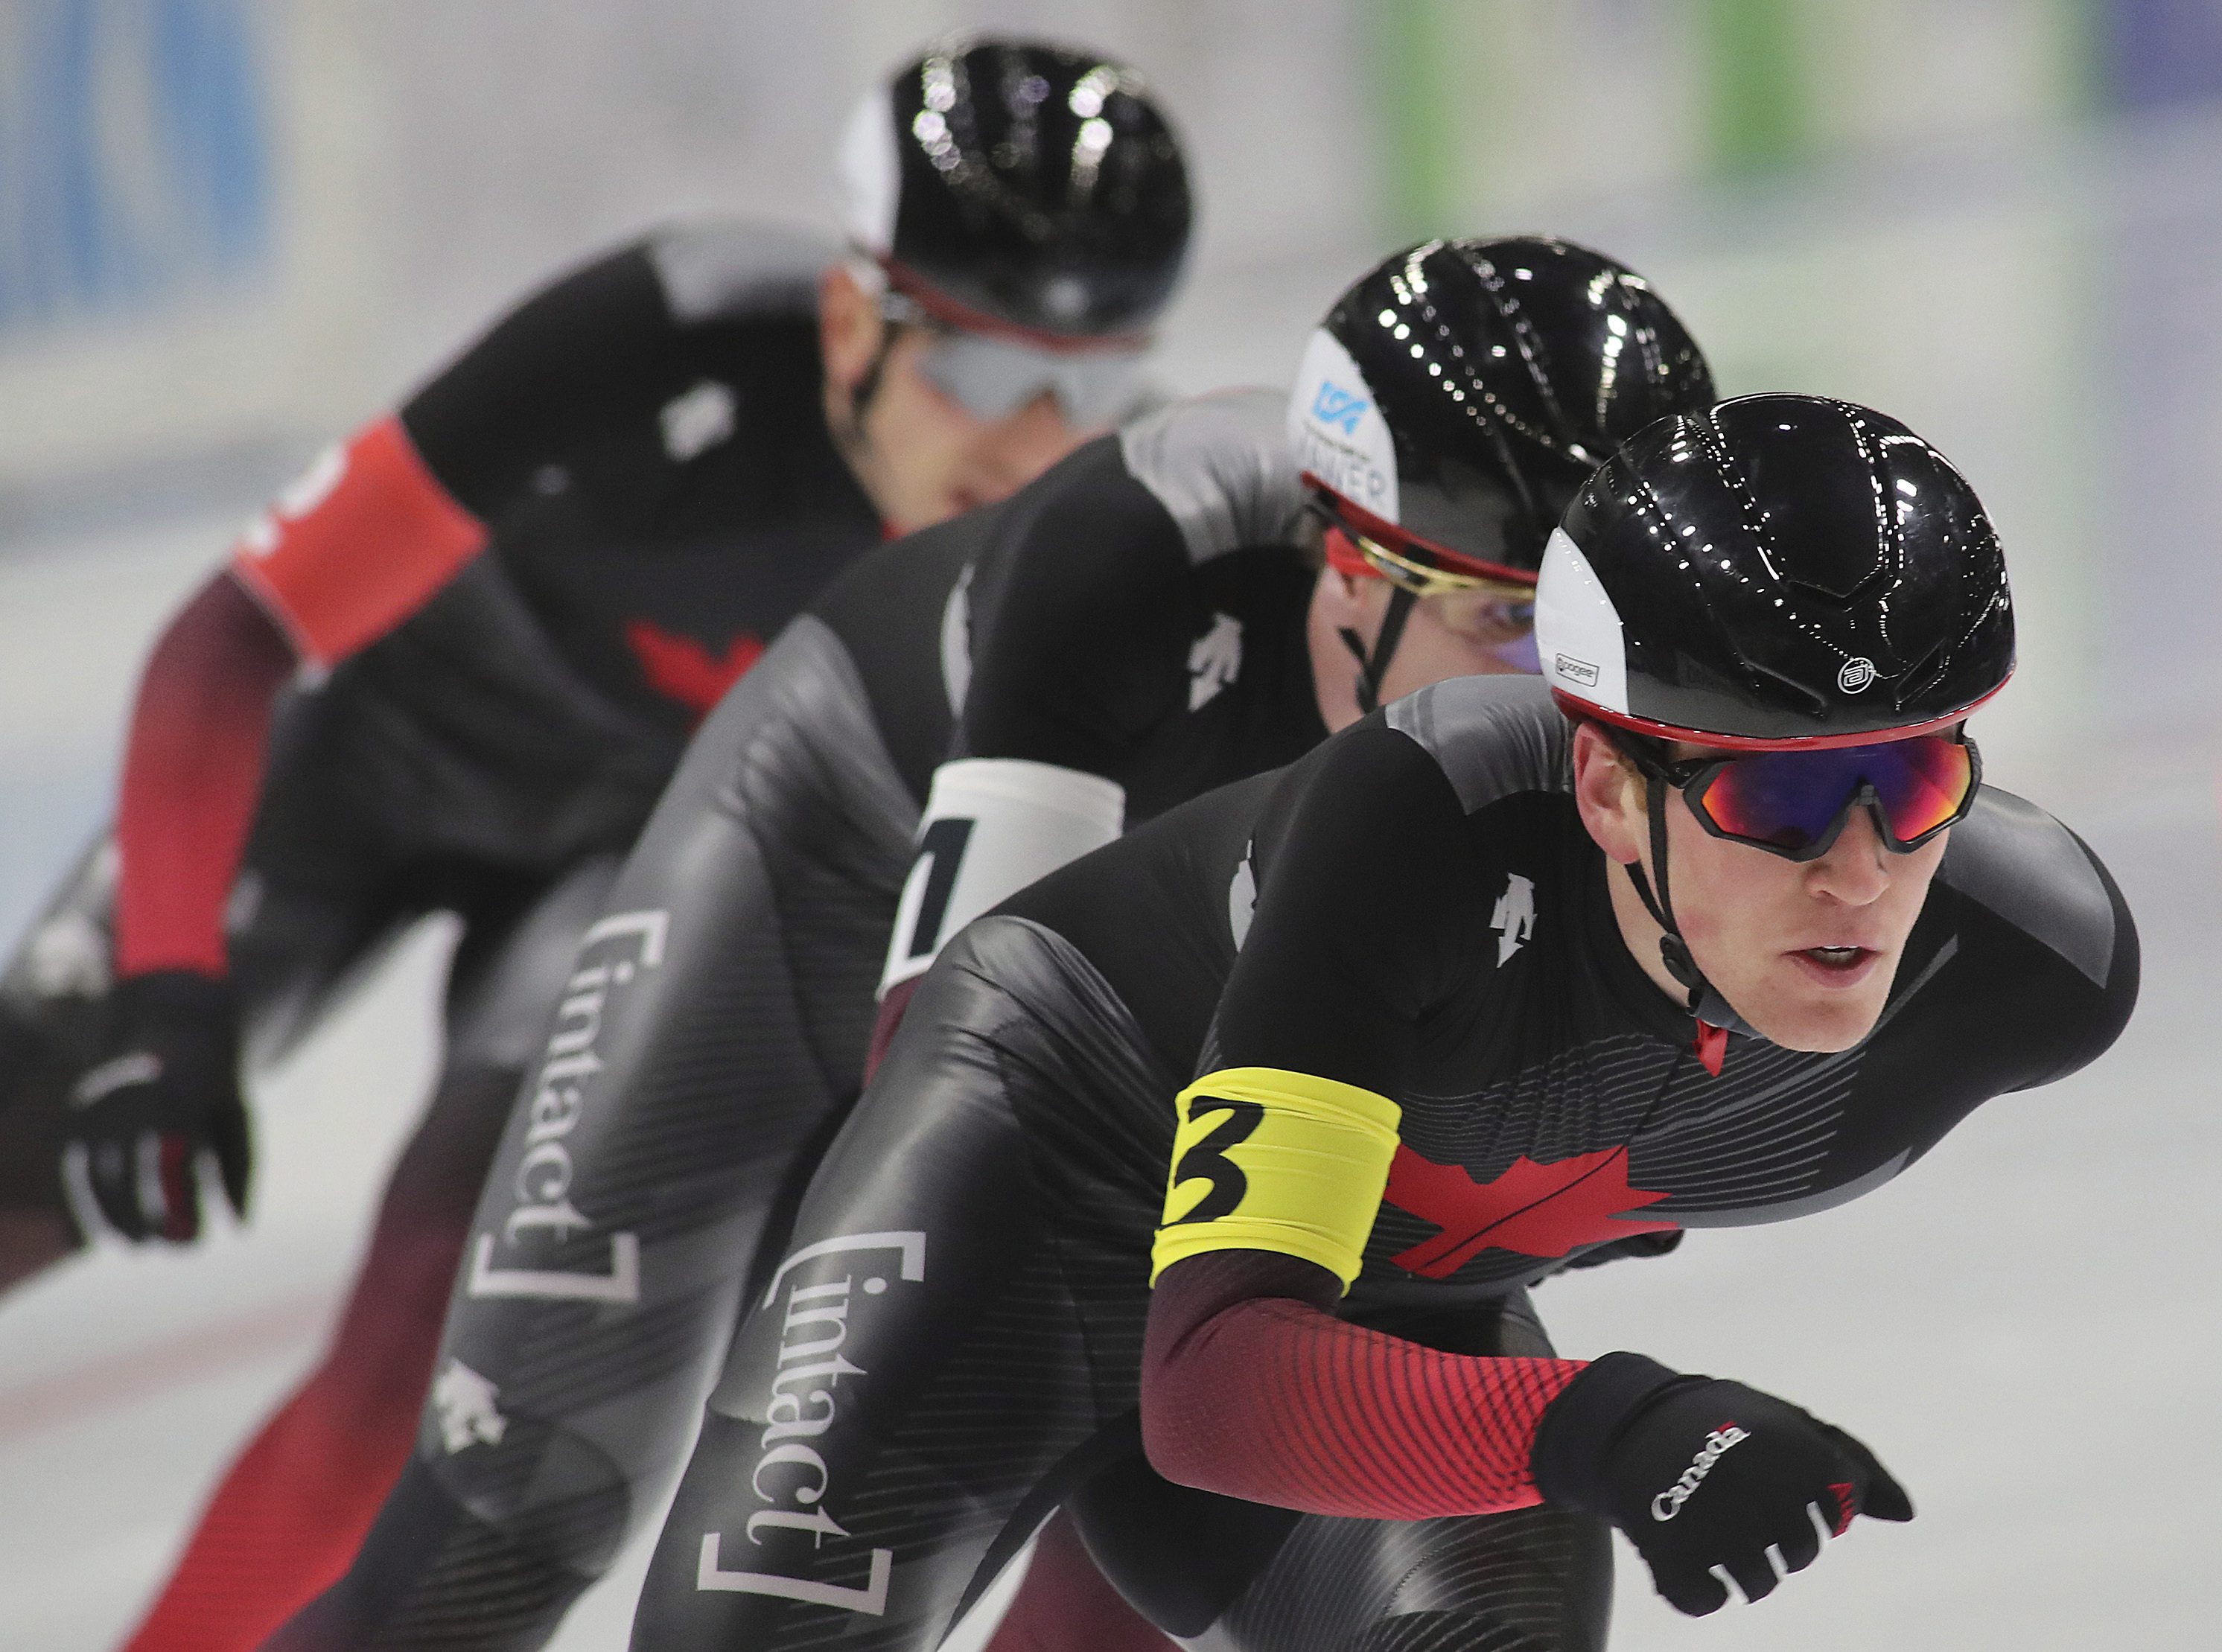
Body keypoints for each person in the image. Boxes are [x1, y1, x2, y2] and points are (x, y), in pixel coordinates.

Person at [263, 237, 1717, 1651]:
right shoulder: (1144, 547)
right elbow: (954, 1079)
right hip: (821, 874)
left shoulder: (1615, 762)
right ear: (1345, 560)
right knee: (512, 1525)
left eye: (1617, 645)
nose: (1573, 706)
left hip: (1127, 1030)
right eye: (1515, 626)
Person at [0, 35, 1192, 1652]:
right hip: (366, 758)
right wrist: (164, 988)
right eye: (975, 373)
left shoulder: (1100, 538)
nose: (1028, 437)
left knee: (435, 1334)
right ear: (851, 315)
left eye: (1096, 385)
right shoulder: (658, 334)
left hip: (629, 860)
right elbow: (230, 641)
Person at [620, 392, 2137, 1650]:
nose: (1862, 873)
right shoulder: (1426, 820)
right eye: (1781, 794)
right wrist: (1607, 1425)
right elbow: (1214, 1386)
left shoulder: (2024, 971)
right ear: (1608, 786)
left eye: (1921, 780)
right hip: (1030, 1186)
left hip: (1359, 1304)